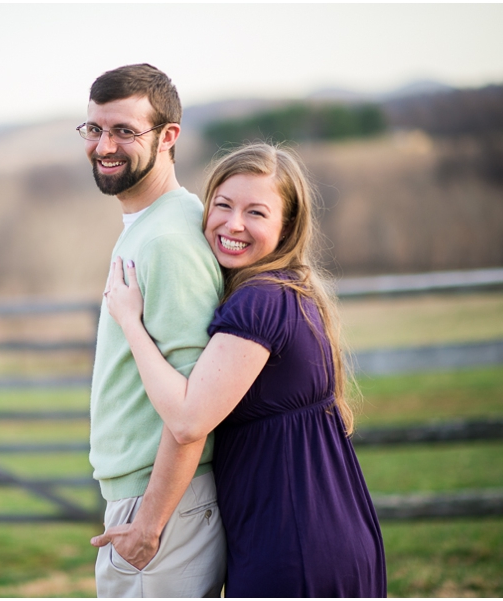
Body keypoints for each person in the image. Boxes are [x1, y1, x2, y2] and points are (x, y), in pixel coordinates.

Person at [103, 142, 387, 597]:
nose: (233, 224)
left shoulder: (259, 303)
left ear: (287, 225)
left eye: (256, 212)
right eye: (223, 205)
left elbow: (189, 418)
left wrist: (131, 324)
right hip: (328, 529)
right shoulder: (292, 289)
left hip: (292, 543)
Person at [80, 64, 227, 597]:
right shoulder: (151, 227)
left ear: (168, 138)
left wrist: (150, 523)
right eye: (94, 129)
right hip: (152, 499)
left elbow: (193, 406)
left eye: (124, 131)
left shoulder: (169, 240)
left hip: (161, 504)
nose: (104, 146)